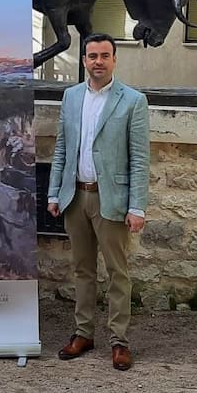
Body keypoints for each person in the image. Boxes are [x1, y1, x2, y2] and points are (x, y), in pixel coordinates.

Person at [47, 33, 150, 371]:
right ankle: (83, 333)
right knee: (82, 270)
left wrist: (137, 206)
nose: (98, 61)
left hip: (112, 200)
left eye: (105, 55)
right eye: (93, 56)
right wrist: (54, 192)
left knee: (118, 272)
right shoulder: (71, 96)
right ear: (84, 61)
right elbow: (62, 149)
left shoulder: (133, 101)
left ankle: (119, 341)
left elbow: (139, 159)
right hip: (75, 196)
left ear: (114, 59)